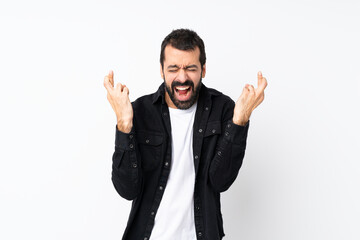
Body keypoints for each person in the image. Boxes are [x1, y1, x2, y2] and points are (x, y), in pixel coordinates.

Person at [104, 28, 267, 240]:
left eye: (191, 68)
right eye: (173, 69)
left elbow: (220, 181)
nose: (182, 77)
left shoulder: (224, 109)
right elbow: (126, 189)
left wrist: (240, 121)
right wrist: (124, 123)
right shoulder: (139, 111)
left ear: (203, 69)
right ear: (161, 71)